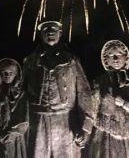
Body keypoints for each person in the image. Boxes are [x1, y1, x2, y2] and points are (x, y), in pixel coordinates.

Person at [22, 20, 93, 158]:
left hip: (66, 121)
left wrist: (85, 126)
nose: (50, 32)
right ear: (40, 35)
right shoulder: (30, 62)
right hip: (37, 122)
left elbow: (84, 93)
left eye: (54, 29)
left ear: (60, 33)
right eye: (46, 30)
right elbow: (21, 94)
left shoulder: (72, 61)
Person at [85, 40, 129, 158]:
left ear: (126, 58)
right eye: (110, 55)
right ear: (106, 60)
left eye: (119, 54)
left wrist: (125, 104)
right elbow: (91, 111)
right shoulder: (98, 82)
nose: (115, 58)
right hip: (104, 136)